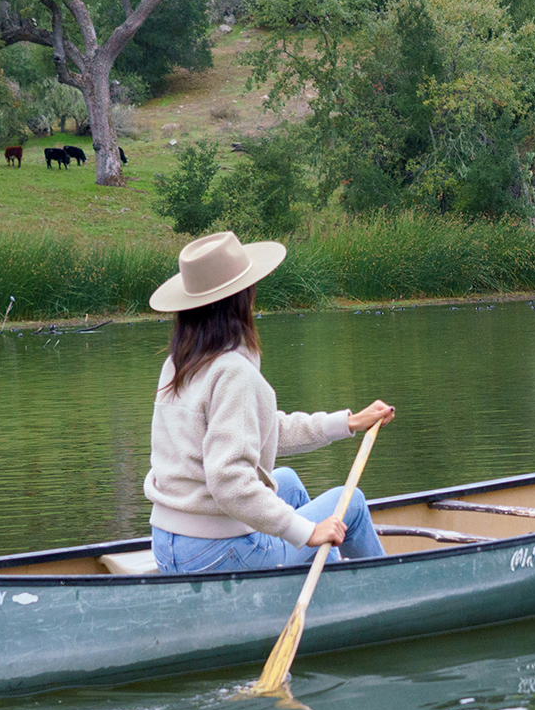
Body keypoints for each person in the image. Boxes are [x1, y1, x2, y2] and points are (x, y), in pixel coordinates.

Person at [144, 231, 395, 576]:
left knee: (286, 481)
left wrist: (346, 423)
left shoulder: (179, 363)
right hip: (215, 553)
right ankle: (382, 586)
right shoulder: (233, 372)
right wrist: (306, 533)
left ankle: (326, 572)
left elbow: (261, 428)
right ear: (240, 299)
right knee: (350, 503)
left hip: (169, 543)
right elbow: (229, 481)